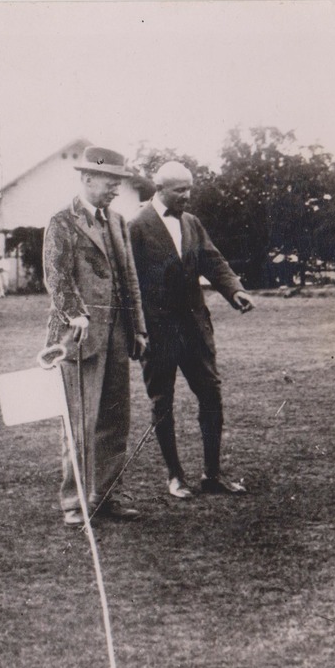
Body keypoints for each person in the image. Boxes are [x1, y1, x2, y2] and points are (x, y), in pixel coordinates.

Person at [127, 161, 255, 499]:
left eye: (189, 189)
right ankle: (175, 476)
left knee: (211, 394)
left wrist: (235, 290)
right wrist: (137, 329)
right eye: (179, 190)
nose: (187, 196)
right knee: (162, 401)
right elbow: (129, 284)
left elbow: (213, 261)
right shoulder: (136, 227)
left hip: (196, 329)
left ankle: (213, 474)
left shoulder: (192, 223)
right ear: (160, 189)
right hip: (158, 333)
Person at [42, 145, 149, 525]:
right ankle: (74, 503)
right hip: (80, 337)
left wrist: (138, 327)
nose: (116, 189)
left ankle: (107, 495)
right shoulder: (62, 222)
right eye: (110, 181)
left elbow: (129, 277)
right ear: (87, 178)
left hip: (119, 336)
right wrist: (75, 313)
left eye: (119, 182)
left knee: (115, 421)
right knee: (79, 422)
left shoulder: (118, 221)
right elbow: (57, 276)